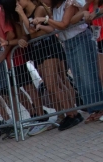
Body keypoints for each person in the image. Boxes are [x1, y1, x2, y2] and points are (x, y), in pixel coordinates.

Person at [0, 0, 50, 135]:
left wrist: (4, 53)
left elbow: (9, 35)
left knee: (28, 86)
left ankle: (40, 117)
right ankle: (35, 114)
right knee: (14, 88)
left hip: (15, 57)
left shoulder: (0, 13)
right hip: (12, 58)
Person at [14, 0, 81, 130]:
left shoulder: (38, 9)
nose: (18, 3)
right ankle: (70, 113)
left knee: (53, 84)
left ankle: (72, 113)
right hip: (37, 51)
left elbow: (31, 30)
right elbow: (27, 34)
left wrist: (22, 15)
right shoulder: (25, 14)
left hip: (47, 47)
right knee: (52, 84)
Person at [32, 0, 103, 122]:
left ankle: (99, 107)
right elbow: (56, 27)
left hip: (80, 39)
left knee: (88, 76)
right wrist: (43, 24)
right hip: (68, 42)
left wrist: (45, 19)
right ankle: (93, 109)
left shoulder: (69, 3)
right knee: (79, 79)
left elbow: (64, 23)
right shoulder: (55, 9)